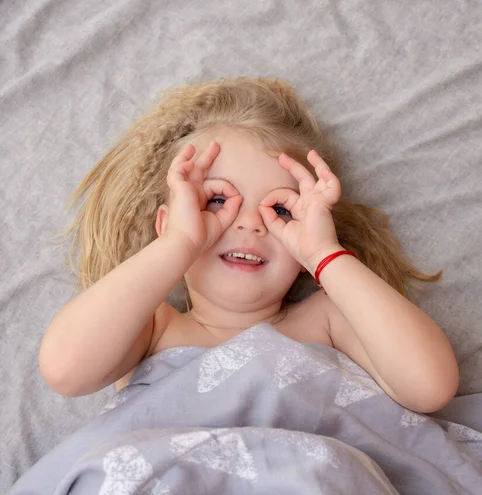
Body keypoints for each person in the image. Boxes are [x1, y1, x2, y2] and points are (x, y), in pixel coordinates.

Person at [39, 76, 459, 413]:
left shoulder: (325, 321)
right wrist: (179, 243)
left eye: (280, 211)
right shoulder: (154, 327)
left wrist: (324, 255)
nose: (249, 224)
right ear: (168, 225)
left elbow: (430, 387)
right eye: (217, 201)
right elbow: (65, 369)